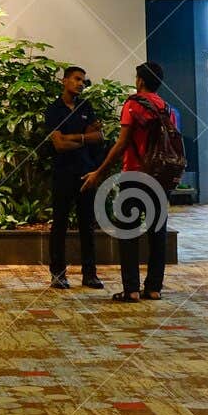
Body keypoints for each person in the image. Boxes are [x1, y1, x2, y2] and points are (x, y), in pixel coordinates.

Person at [81, 62, 175, 303]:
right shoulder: (166, 108)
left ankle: (131, 289)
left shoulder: (133, 105)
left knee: (128, 232)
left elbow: (122, 143)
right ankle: (154, 288)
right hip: (159, 177)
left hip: (134, 174)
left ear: (140, 81)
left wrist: (99, 172)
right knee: (158, 233)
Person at [44, 66, 105, 289]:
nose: (81, 83)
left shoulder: (85, 106)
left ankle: (90, 274)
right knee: (59, 224)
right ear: (64, 81)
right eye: (77, 79)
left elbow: (98, 137)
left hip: (86, 173)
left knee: (87, 226)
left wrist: (74, 137)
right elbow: (59, 145)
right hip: (62, 173)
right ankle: (58, 274)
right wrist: (84, 137)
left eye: (83, 80)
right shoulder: (54, 110)